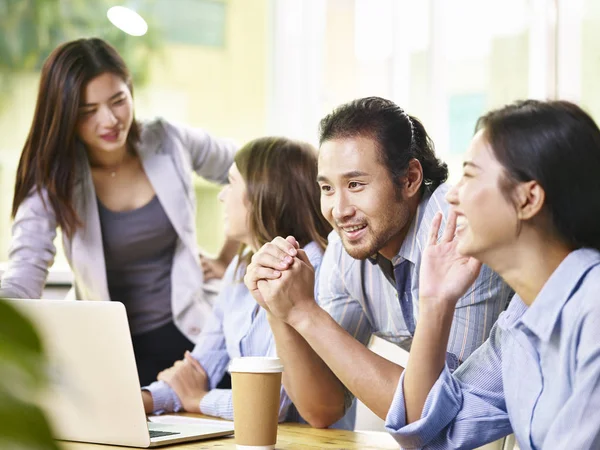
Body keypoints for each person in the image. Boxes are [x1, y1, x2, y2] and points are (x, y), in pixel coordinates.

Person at [244, 97, 513, 427]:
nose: (339, 210)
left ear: (411, 178)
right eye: (327, 188)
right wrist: (280, 308)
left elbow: (443, 415)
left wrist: (306, 313)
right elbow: (323, 409)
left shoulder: (460, 236)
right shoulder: (346, 250)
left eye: (355, 184)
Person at [0, 38, 238, 386]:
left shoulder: (168, 141)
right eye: (88, 111)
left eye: (118, 101)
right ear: (65, 115)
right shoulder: (54, 178)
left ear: (130, 92)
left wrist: (227, 257)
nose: (109, 120)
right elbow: (25, 273)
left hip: (191, 339)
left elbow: (254, 174)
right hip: (113, 352)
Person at [384, 100, 600, 449]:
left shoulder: (593, 311)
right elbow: (429, 434)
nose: (452, 196)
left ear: (528, 199)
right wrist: (436, 302)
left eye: (469, 175)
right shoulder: (520, 321)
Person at [141, 136, 355, 428]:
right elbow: (198, 367)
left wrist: (198, 400)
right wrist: (142, 400)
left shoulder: (316, 268)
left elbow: (273, 401)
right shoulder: (239, 268)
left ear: (263, 195)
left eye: (231, 183)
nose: (221, 196)